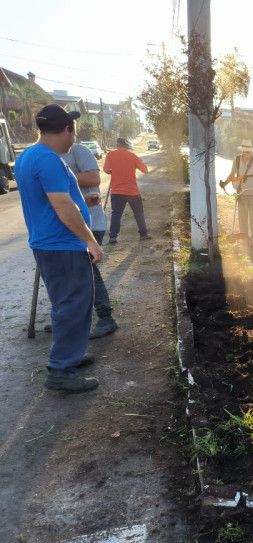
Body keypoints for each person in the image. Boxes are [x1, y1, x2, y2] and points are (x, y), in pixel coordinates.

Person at [16, 104, 103, 393]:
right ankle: (61, 369)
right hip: (62, 244)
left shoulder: (29, 156)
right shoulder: (48, 160)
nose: (73, 138)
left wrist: (82, 205)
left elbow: (53, 201)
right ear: (67, 129)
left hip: (50, 242)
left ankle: (71, 355)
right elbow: (62, 205)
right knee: (73, 305)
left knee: (70, 304)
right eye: (73, 131)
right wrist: (90, 239)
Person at [62, 138, 119, 339]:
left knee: (87, 270)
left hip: (90, 223)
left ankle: (106, 318)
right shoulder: (46, 155)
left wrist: (59, 176)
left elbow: (94, 178)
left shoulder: (78, 150)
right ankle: (71, 317)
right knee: (70, 273)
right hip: (67, 224)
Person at [220, 139, 253, 243]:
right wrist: (225, 183)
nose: (246, 153)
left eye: (248, 151)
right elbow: (232, 174)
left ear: (250, 151)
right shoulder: (236, 160)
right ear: (242, 151)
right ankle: (245, 239)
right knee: (242, 218)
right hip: (241, 193)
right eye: (244, 151)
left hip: (252, 193)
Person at [103, 137, 149, 243]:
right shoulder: (132, 156)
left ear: (117, 145)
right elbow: (145, 170)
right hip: (132, 191)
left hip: (117, 191)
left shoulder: (110, 155)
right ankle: (143, 234)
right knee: (138, 213)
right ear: (126, 146)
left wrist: (112, 172)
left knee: (116, 214)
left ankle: (113, 237)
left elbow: (106, 169)